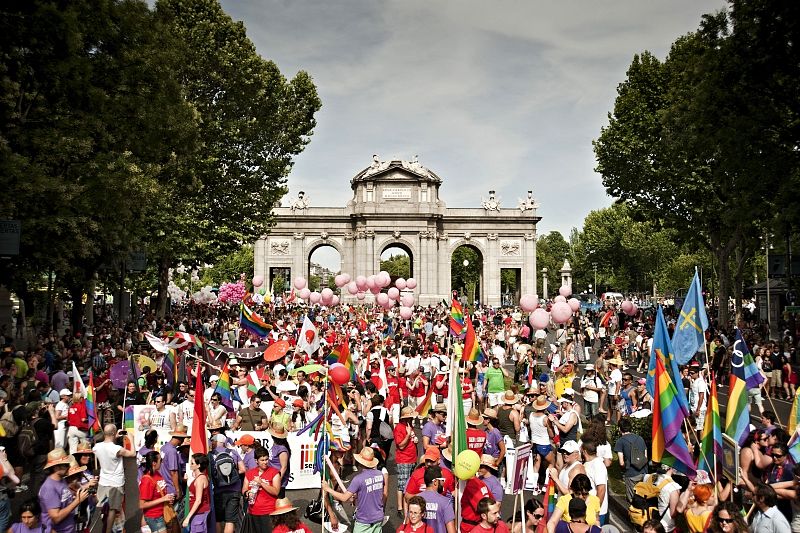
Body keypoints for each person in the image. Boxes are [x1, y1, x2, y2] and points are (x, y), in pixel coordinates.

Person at [323, 447, 387, 533]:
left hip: (364, 521)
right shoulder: (380, 474)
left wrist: (328, 489)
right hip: (378, 518)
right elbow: (376, 492)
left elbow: (344, 498)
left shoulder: (358, 479)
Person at [93, 424, 136, 533]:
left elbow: (107, 446)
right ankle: (108, 530)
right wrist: (131, 438)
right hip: (116, 483)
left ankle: (106, 524)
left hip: (103, 481)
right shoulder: (117, 449)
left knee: (104, 506)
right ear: (113, 433)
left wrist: (114, 437)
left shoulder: (97, 447)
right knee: (113, 508)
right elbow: (132, 454)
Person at [38, 448, 89, 533]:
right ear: (56, 467)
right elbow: (56, 518)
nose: (69, 467)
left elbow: (64, 502)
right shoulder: (49, 488)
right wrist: (77, 501)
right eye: (66, 465)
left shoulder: (62, 480)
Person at [209, 433, 245, 533]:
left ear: (216, 442)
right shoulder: (233, 452)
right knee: (230, 520)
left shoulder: (211, 455)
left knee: (218, 519)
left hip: (218, 490)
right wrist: (232, 476)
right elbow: (242, 469)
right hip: (234, 490)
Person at [242, 447, 281, 531]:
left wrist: (262, 483)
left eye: (266, 459)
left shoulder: (274, 472)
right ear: (256, 461)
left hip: (269, 512)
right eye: (262, 460)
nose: (265, 462)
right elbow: (244, 490)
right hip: (253, 512)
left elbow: (276, 491)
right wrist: (247, 493)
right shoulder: (249, 473)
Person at [139, 451, 176, 533]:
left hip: (161, 514)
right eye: (160, 460)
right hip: (154, 517)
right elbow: (142, 505)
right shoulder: (146, 480)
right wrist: (163, 499)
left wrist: (168, 499)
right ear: (154, 463)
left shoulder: (157, 474)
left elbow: (160, 494)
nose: (162, 462)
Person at [613, 418, 648, 502]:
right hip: (644, 472)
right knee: (643, 497)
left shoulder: (620, 441)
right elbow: (645, 456)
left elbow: (621, 463)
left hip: (631, 474)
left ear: (619, 429)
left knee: (632, 500)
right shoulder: (640, 438)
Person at [394, 406, 419, 518]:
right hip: (404, 460)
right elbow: (401, 445)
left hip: (412, 458)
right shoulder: (399, 428)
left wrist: (414, 440)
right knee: (402, 485)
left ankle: (406, 506)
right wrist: (408, 435)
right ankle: (401, 507)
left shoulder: (409, 425)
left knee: (410, 483)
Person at [419, 465, 456, 533]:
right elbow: (451, 531)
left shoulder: (416, 500)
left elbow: (408, 526)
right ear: (435, 482)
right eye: (442, 480)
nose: (443, 482)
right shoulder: (446, 502)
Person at [581, 441, 608, 525]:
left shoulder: (597, 465)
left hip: (595, 512)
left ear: (584, 451)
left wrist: (595, 511)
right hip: (587, 509)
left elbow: (601, 490)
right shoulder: (588, 463)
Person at [182, 453, 211, 532]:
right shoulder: (199, 477)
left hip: (199, 512)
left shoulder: (200, 479)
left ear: (198, 465)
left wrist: (187, 518)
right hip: (198, 512)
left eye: (192, 463)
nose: (190, 465)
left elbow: (198, 500)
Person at [268, 423, 291, 498]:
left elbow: (284, 467)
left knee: (278, 504)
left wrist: (277, 481)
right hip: (272, 477)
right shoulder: (275, 445)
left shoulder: (282, 450)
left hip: (277, 481)